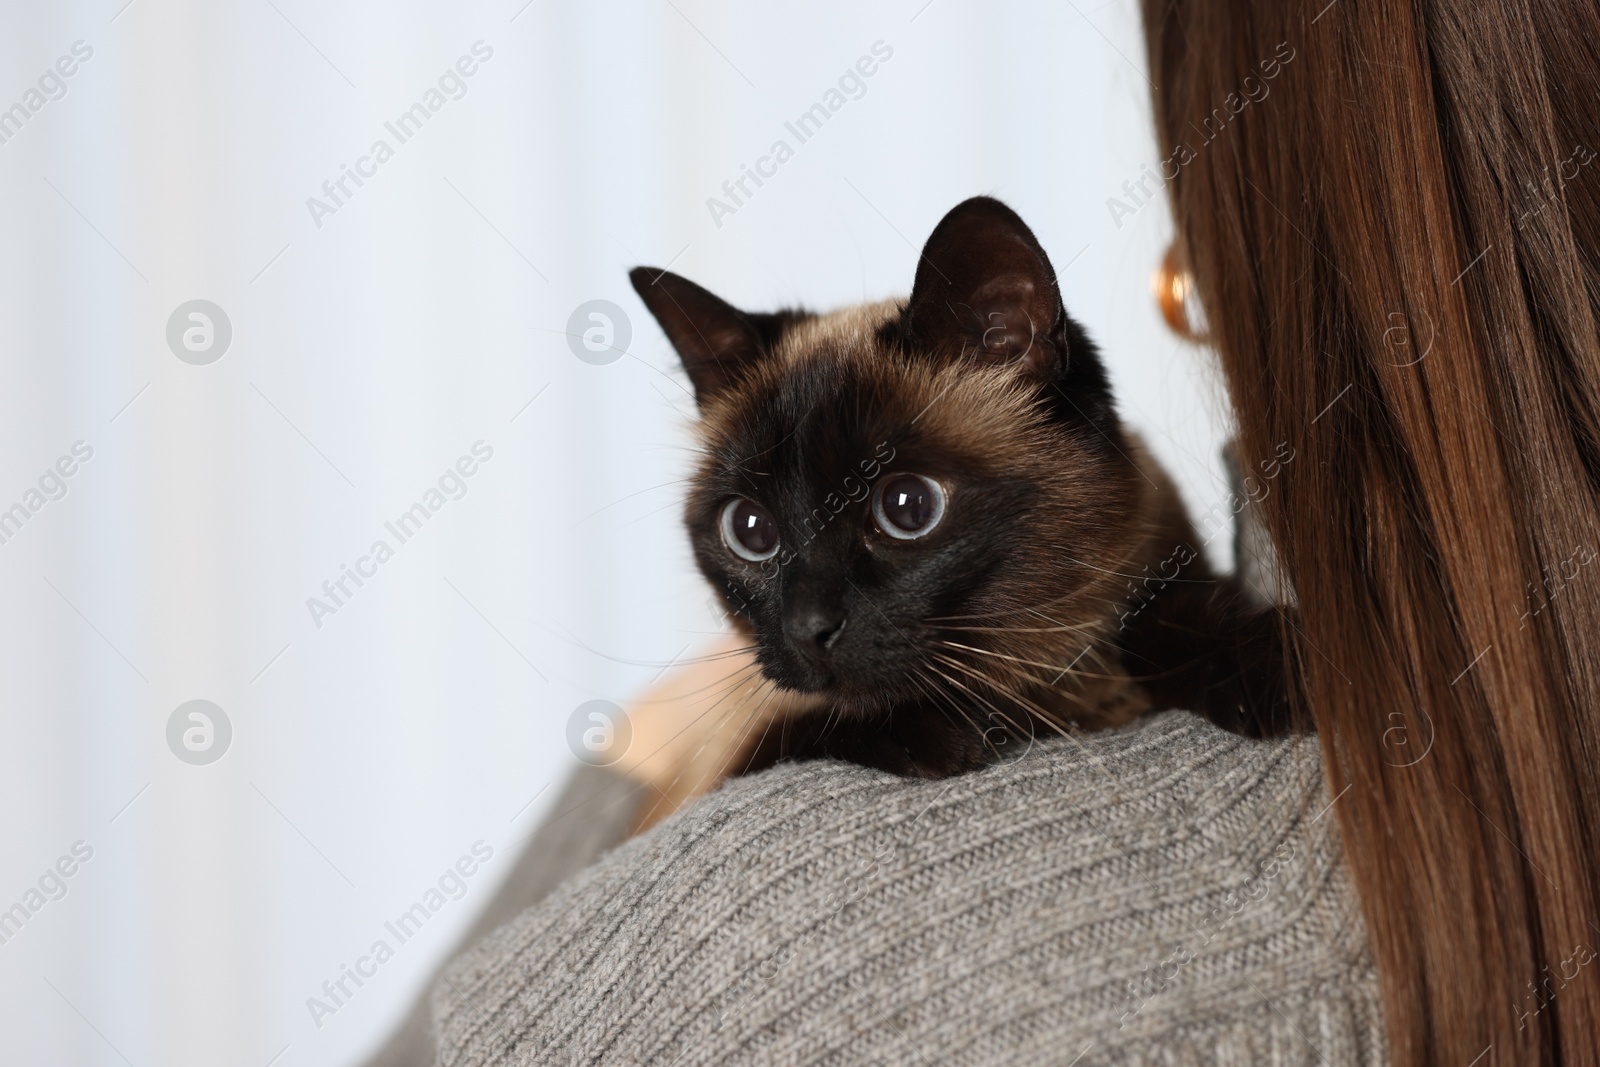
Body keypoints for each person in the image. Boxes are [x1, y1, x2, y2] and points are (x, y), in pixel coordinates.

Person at [377, 1, 1600, 1063]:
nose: (804, 615)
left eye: (907, 510)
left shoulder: (764, 945)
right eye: (750, 533)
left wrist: (638, 765)